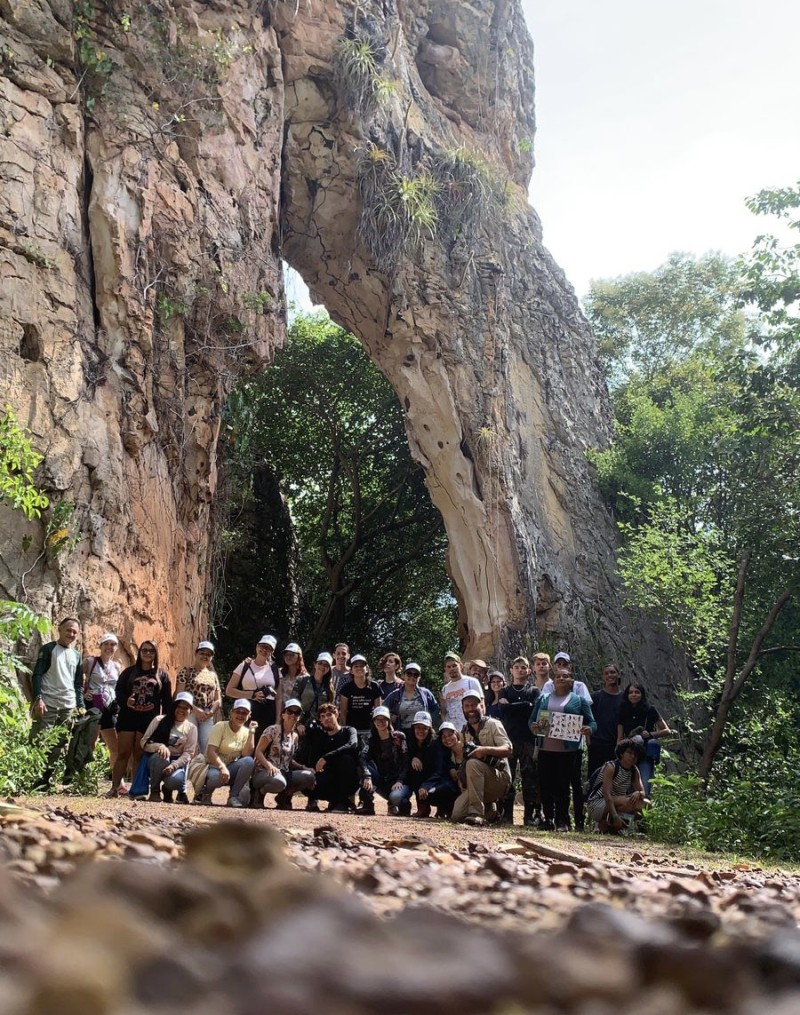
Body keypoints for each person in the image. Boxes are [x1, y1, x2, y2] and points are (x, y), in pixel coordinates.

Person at [530, 663, 595, 832]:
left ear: (571, 681)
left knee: (563, 786)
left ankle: (562, 820)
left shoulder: (578, 700)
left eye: (565, 676)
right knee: (545, 785)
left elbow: (592, 722)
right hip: (545, 748)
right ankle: (548, 819)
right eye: (558, 676)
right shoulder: (543, 699)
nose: (561, 679)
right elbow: (531, 721)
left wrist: (589, 729)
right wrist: (534, 727)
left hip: (568, 751)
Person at [112, 641, 172, 798]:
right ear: (139, 653)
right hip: (127, 717)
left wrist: (165, 722)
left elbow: (166, 701)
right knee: (123, 753)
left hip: (148, 719)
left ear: (155, 654)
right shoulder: (129, 672)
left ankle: (136, 790)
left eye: (151, 651)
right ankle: (114, 788)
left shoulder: (162, 675)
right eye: (144, 650)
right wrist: (126, 701)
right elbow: (118, 691)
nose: (147, 653)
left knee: (139, 754)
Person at [30, 617, 83, 789]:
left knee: (59, 744)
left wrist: (80, 706)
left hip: (68, 706)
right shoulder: (48, 649)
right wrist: (38, 698)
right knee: (40, 739)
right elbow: (37, 674)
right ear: (59, 629)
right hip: (47, 703)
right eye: (68, 630)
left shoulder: (76, 656)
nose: (71, 634)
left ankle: (45, 780)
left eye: (75, 631)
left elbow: (78, 684)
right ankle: (31, 777)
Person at [451, 688, 513, 827]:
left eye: (474, 705)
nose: (470, 709)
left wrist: (484, 750)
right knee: (457, 814)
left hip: (499, 778)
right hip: (478, 782)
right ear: (463, 709)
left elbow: (508, 749)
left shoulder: (493, 724)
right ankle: (491, 811)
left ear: (482, 706)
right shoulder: (464, 731)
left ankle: (477, 814)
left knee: (473, 764)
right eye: (467, 706)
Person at [543, 652, 589, 830]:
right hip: (551, 741)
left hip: (573, 742)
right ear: (553, 667)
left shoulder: (579, 686)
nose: (561, 665)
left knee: (575, 782)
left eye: (565, 663)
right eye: (558, 663)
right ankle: (554, 819)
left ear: (571, 666)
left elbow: (584, 711)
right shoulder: (548, 686)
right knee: (553, 780)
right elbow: (544, 709)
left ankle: (578, 821)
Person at [251, 698, 316, 809]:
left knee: (310, 777)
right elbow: (258, 752)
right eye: (289, 711)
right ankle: (259, 794)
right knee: (279, 782)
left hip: (284, 773)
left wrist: (304, 768)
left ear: (299, 716)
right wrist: (269, 766)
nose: (293, 715)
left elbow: (289, 760)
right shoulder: (272, 730)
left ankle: (283, 797)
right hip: (264, 771)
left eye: (297, 713)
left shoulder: (295, 736)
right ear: (283, 715)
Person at [499, 656, 540, 825]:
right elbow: (503, 709)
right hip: (508, 740)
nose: (520, 670)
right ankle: (507, 815)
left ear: (529, 671)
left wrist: (513, 707)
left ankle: (528, 817)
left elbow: (533, 709)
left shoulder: (534, 691)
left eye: (523, 667)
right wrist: (524, 706)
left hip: (528, 740)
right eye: (517, 667)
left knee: (529, 776)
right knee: (508, 777)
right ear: (511, 670)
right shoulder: (505, 691)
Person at [194, 698, 258, 807]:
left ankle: (233, 796)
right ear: (231, 712)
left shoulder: (247, 732)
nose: (240, 715)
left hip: (230, 767)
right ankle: (205, 792)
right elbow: (210, 752)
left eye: (244, 713)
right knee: (215, 778)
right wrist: (222, 767)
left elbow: (246, 754)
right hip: (213, 766)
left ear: (249, 715)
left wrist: (252, 732)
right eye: (238, 711)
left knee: (249, 761)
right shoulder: (220, 726)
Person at [140, 691, 197, 803]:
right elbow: (144, 743)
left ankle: (168, 789)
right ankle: (155, 791)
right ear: (174, 707)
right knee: (161, 756)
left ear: (190, 711)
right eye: (179, 706)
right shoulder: (159, 720)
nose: (182, 710)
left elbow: (188, 753)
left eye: (186, 708)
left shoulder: (191, 728)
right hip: (156, 760)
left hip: (177, 763)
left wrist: (174, 766)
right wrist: (159, 746)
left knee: (176, 781)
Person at [303, 701, 360, 813]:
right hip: (330, 780)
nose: (326, 718)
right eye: (323, 716)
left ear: (337, 715)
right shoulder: (321, 738)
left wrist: (326, 757)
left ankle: (342, 802)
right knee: (305, 781)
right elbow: (315, 762)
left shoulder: (349, 730)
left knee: (346, 759)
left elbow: (352, 745)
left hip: (350, 780)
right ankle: (335, 801)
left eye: (329, 714)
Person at [616, 683, 671, 795]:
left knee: (644, 788)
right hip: (628, 754)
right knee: (625, 789)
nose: (633, 695)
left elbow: (667, 731)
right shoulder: (623, 711)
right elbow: (620, 737)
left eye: (637, 692)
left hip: (645, 754)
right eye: (630, 692)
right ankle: (627, 812)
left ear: (642, 694)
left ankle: (642, 811)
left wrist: (651, 734)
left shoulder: (650, 710)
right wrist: (618, 754)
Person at [358, 705, 411, 815]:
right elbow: (362, 757)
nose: (380, 722)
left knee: (398, 800)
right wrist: (367, 775)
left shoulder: (399, 737)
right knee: (360, 767)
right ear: (374, 721)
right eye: (378, 719)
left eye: (383, 719)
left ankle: (396, 803)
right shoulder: (371, 739)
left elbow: (406, 762)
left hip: (399, 781)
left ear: (388, 721)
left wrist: (400, 780)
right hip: (383, 781)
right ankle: (367, 804)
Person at [587, 738, 648, 833]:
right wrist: (615, 816)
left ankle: (609, 825)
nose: (632, 756)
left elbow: (643, 792)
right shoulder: (611, 767)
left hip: (618, 802)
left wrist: (638, 793)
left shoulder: (634, 771)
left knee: (645, 804)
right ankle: (607, 821)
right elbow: (607, 795)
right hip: (598, 803)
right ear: (621, 753)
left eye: (635, 754)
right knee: (628, 801)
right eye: (629, 753)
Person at [81, 632, 121, 769]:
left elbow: (117, 686)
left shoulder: (116, 666)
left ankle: (117, 782)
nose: (109, 647)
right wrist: (83, 693)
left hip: (109, 706)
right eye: (106, 644)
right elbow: (75, 678)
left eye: (113, 644)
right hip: (95, 703)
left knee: (114, 746)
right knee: (91, 741)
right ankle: (84, 776)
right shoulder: (90, 662)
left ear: (116, 648)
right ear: (101, 646)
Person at [226, 634, 280, 734]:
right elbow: (229, 690)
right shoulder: (244, 665)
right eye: (262, 646)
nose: (264, 650)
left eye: (268, 648)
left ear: (272, 652)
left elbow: (279, 697)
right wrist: (251, 695)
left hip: (268, 712)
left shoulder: (275, 669)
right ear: (257, 646)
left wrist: (277, 721)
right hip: (246, 711)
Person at [175, 641, 223, 753]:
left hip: (207, 714)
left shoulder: (213, 675)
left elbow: (218, 699)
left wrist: (210, 712)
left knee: (207, 747)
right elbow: (179, 694)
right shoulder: (185, 672)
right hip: (189, 711)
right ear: (196, 654)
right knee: (188, 744)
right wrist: (195, 710)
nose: (205, 656)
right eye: (202, 653)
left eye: (208, 654)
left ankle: (202, 770)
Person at [405, 710, 448, 817]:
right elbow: (404, 760)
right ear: (413, 728)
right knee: (413, 769)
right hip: (420, 778)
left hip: (436, 780)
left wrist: (426, 786)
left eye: (424, 728)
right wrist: (413, 758)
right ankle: (422, 807)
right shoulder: (409, 741)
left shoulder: (436, 744)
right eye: (418, 727)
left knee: (441, 788)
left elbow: (439, 771)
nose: (421, 731)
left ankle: (443, 808)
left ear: (430, 729)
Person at [589, 662, 625, 776]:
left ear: (618, 675)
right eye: (606, 673)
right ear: (603, 677)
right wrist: (588, 740)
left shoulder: (624, 699)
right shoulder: (595, 697)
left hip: (615, 744)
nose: (610, 675)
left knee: (614, 777)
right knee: (594, 777)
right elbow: (588, 718)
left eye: (613, 672)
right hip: (596, 743)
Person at [383, 662, 439, 732]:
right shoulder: (395, 694)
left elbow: (436, 709)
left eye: (416, 675)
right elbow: (382, 710)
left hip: (421, 733)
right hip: (402, 732)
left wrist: (430, 722)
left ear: (419, 678)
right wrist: (391, 717)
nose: (412, 677)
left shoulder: (426, 693)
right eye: (409, 674)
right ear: (403, 675)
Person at [338, 655, 382, 744]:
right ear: (351, 670)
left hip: (369, 728)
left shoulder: (374, 687)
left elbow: (379, 711)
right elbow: (343, 713)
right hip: (352, 729)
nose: (359, 668)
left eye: (362, 666)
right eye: (356, 666)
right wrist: (343, 732)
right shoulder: (346, 688)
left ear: (366, 669)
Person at [293, 652, 336, 731]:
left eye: (326, 665)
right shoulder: (302, 680)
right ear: (315, 664)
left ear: (329, 669)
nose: (322, 666)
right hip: (300, 724)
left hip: (319, 727)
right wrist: (297, 724)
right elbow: (293, 703)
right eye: (320, 663)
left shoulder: (329, 687)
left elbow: (330, 710)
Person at [438, 652, 482, 727]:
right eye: (448, 667)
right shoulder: (445, 689)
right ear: (445, 669)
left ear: (461, 665)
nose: (451, 669)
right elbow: (444, 710)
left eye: (454, 666)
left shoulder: (471, 682)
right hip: (453, 732)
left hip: (470, 727)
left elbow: (481, 705)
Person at [434, 721, 464, 818]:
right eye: (444, 737)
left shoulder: (466, 747)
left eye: (450, 735)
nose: (447, 739)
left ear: (456, 734)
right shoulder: (447, 754)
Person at [277, 642, 307, 714]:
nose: (288, 657)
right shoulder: (279, 673)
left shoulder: (305, 677)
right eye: (286, 654)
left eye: (292, 654)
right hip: (278, 712)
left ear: (299, 656)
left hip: (294, 714)